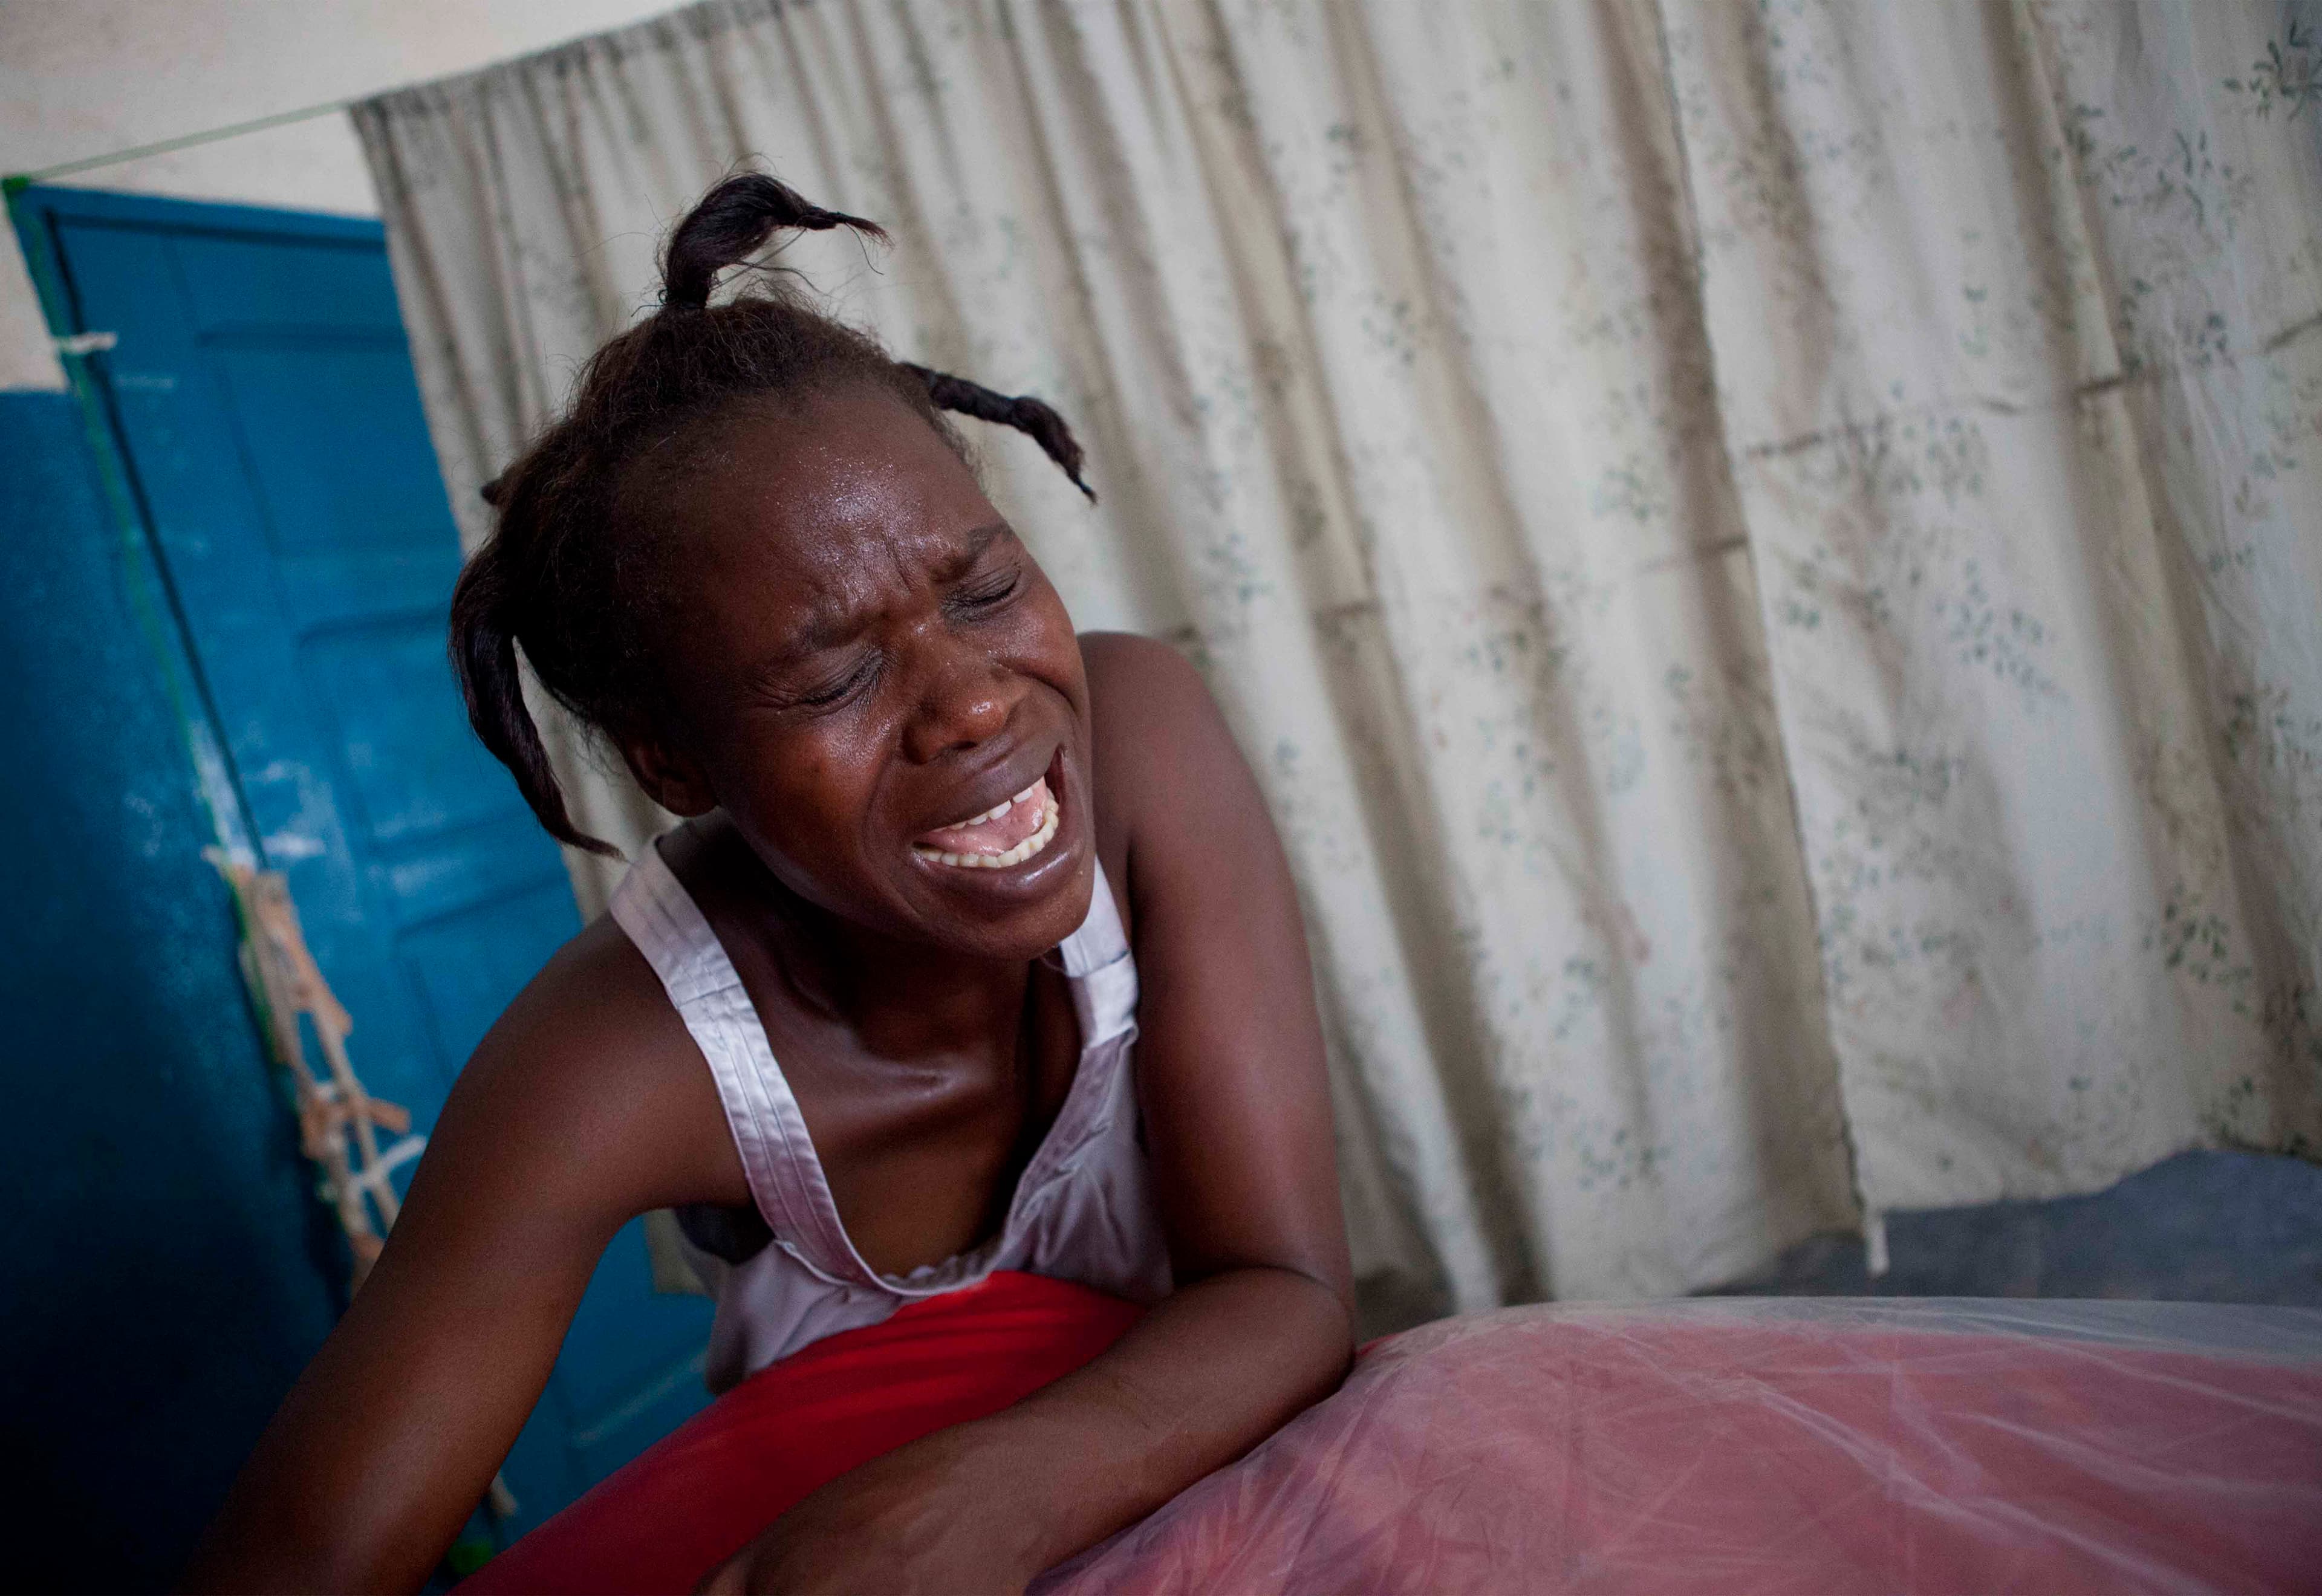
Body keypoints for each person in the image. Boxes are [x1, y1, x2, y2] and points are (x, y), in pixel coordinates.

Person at [184, 173, 1353, 1595]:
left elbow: (1287, 1292)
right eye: (834, 678)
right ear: (674, 762)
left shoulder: (1148, 735)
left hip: (1153, 1479)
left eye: (984, 590)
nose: (975, 705)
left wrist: (972, 1503)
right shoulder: (618, 1057)